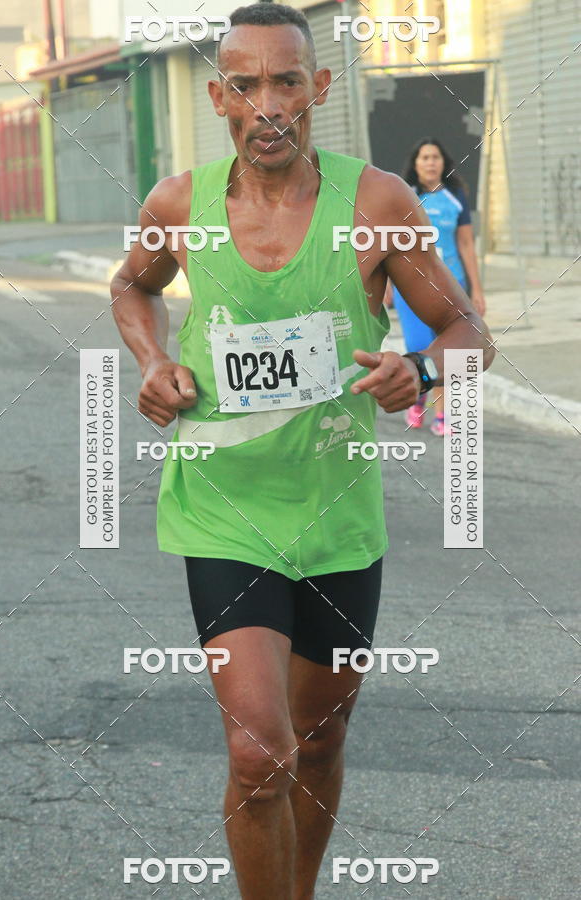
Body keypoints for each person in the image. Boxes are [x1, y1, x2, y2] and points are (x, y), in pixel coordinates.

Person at [110, 5, 494, 897]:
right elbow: (132, 287)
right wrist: (154, 357)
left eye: (287, 81)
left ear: (320, 88)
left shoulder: (377, 204)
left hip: (336, 519)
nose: (267, 103)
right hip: (223, 510)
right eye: (244, 84)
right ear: (218, 97)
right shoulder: (179, 204)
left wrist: (423, 374)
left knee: (318, 744)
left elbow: (466, 328)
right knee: (259, 752)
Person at [386, 138, 486, 435]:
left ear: (443, 163)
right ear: (415, 164)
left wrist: (477, 290)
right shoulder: (405, 196)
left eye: (435, 157)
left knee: (446, 351)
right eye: (425, 157)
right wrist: (387, 284)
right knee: (419, 349)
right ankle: (419, 401)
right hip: (412, 286)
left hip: (451, 285)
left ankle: (442, 415)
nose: (430, 162)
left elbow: (467, 245)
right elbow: (392, 244)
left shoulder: (456, 198)